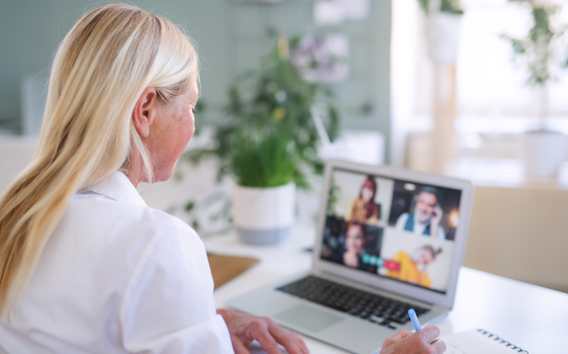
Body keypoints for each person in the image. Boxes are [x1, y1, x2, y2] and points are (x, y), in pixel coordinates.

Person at [0, 4, 445, 354]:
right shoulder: (155, 244)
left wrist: (204, 320)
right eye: (190, 106)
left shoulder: (18, 219)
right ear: (146, 110)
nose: (192, 126)